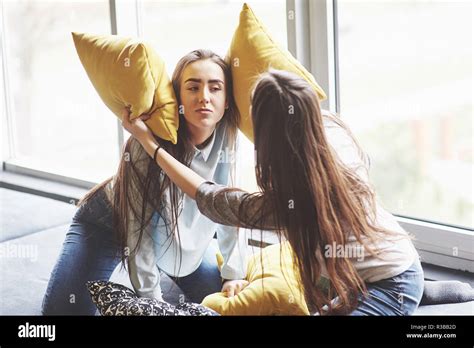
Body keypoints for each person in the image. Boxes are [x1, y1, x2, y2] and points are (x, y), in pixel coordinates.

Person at [122, 69, 425, 315]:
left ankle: (415, 293)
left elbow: (211, 199)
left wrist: (152, 146)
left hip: (391, 282)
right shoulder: (332, 131)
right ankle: (420, 290)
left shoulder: (294, 202)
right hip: (362, 273)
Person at [42, 49, 248, 315]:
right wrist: (153, 304)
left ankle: (168, 271)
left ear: (227, 100)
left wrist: (234, 273)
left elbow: (228, 207)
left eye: (215, 88)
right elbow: (138, 234)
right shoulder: (147, 143)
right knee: (62, 313)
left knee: (224, 299)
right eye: (193, 87)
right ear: (178, 98)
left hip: (177, 236)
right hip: (108, 224)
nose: (204, 98)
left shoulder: (228, 132)